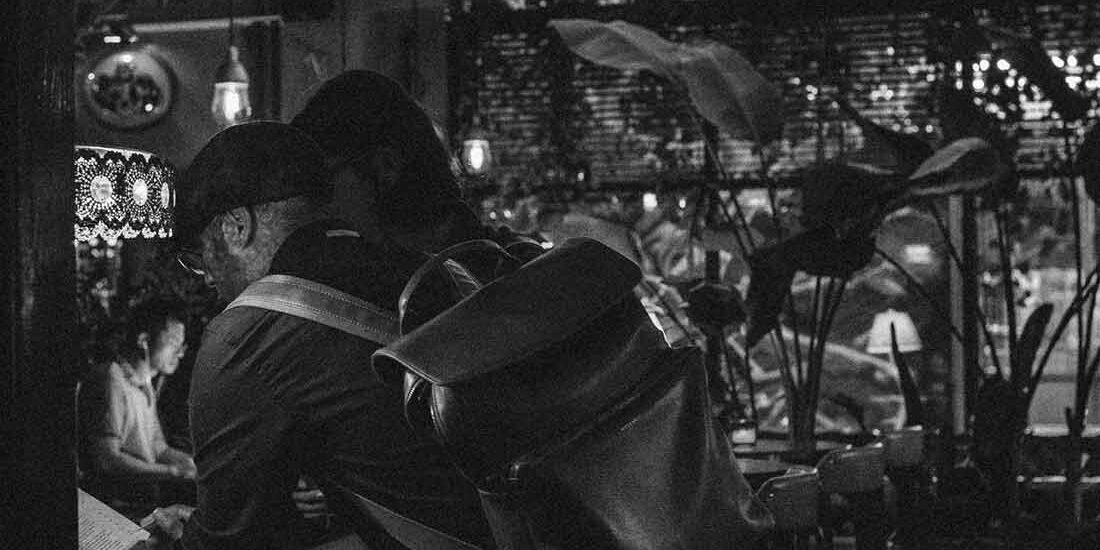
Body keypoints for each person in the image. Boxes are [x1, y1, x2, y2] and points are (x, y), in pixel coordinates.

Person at [149, 121, 492, 550]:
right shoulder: (429, 270)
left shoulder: (246, 331)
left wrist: (188, 536)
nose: (206, 278)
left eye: (199, 257)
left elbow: (227, 544)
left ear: (237, 226)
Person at [290, 70, 536, 271]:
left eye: (322, 185)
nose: (313, 208)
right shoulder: (379, 277)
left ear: (386, 166)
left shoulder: (517, 276)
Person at [80, 297, 196, 517]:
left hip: (141, 505)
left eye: (182, 345)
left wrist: (187, 463)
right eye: (173, 342)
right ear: (144, 340)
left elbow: (157, 447)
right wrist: (174, 472)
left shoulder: (145, 383)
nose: (180, 352)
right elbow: (107, 460)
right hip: (113, 510)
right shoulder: (110, 379)